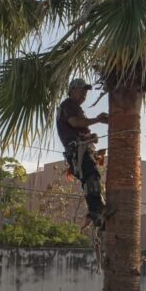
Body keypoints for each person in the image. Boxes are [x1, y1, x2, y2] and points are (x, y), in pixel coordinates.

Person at [56, 77, 108, 228]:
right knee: (91, 175)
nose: (85, 93)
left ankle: (98, 210)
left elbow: (77, 128)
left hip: (80, 149)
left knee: (90, 177)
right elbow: (74, 122)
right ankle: (95, 211)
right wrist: (97, 120)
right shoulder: (68, 104)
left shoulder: (77, 108)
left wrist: (90, 137)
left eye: (86, 90)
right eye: (82, 89)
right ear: (72, 90)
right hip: (77, 151)